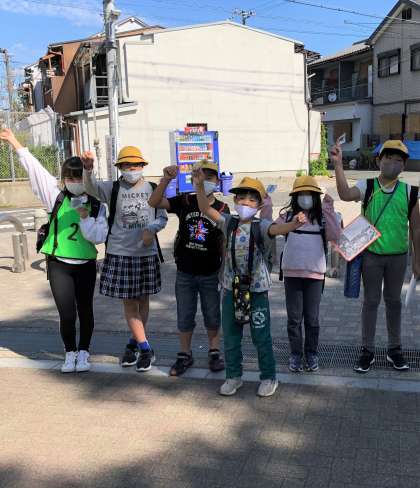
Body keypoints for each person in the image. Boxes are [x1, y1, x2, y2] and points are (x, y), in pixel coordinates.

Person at [0, 128, 108, 373]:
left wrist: (85, 218)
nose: (75, 182)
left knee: (85, 310)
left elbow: (99, 237)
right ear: (64, 179)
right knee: (66, 313)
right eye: (70, 178)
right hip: (59, 264)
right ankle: (70, 353)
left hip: (86, 264)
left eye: (79, 178)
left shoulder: (96, 205)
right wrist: (14, 142)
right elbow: (35, 169)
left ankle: (84, 352)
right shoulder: (55, 197)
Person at [194, 172, 307, 397]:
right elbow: (206, 209)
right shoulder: (228, 222)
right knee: (231, 335)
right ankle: (233, 376)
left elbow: (277, 229)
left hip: (256, 290)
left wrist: (294, 223)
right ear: (235, 200)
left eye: (252, 200)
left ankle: (269, 377)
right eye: (242, 198)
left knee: (261, 336)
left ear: (259, 204)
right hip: (231, 288)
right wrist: (198, 186)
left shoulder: (261, 226)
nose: (246, 203)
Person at [331, 139, 420, 373]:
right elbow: (345, 194)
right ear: (379, 160)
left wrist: (417, 260)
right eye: (388, 158)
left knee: (394, 302)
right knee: (370, 302)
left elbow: (416, 228)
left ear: (404, 165)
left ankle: (395, 349)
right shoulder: (368, 186)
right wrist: (338, 164)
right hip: (371, 256)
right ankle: (367, 350)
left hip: (398, 258)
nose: (393, 163)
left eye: (399, 160)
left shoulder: (410, 191)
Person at [82, 146, 168, 372]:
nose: (132, 169)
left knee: (143, 301)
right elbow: (90, 188)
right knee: (130, 303)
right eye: (127, 165)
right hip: (120, 252)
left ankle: (133, 343)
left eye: (136, 164)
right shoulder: (113, 188)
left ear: (143, 166)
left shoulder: (153, 188)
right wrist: (88, 170)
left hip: (146, 253)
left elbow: (162, 217)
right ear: (120, 167)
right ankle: (146, 349)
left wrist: (152, 229)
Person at [148, 161, 229, 376]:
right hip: (185, 270)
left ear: (217, 181)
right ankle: (185, 353)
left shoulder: (222, 208)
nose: (204, 181)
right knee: (184, 314)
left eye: (209, 178)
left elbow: (223, 241)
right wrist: (166, 179)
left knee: (212, 314)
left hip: (210, 271)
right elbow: (154, 202)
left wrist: (224, 269)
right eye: (199, 177)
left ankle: (214, 351)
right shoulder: (185, 200)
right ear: (192, 179)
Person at [277, 176, 341, 373]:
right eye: (301, 194)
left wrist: (329, 209)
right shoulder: (288, 216)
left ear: (315, 197)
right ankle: (296, 354)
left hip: (315, 275)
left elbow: (335, 235)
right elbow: (273, 229)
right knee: (294, 319)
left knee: (312, 319)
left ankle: (311, 353)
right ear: (295, 197)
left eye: (309, 194)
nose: (305, 198)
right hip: (292, 274)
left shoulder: (322, 218)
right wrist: (268, 211)